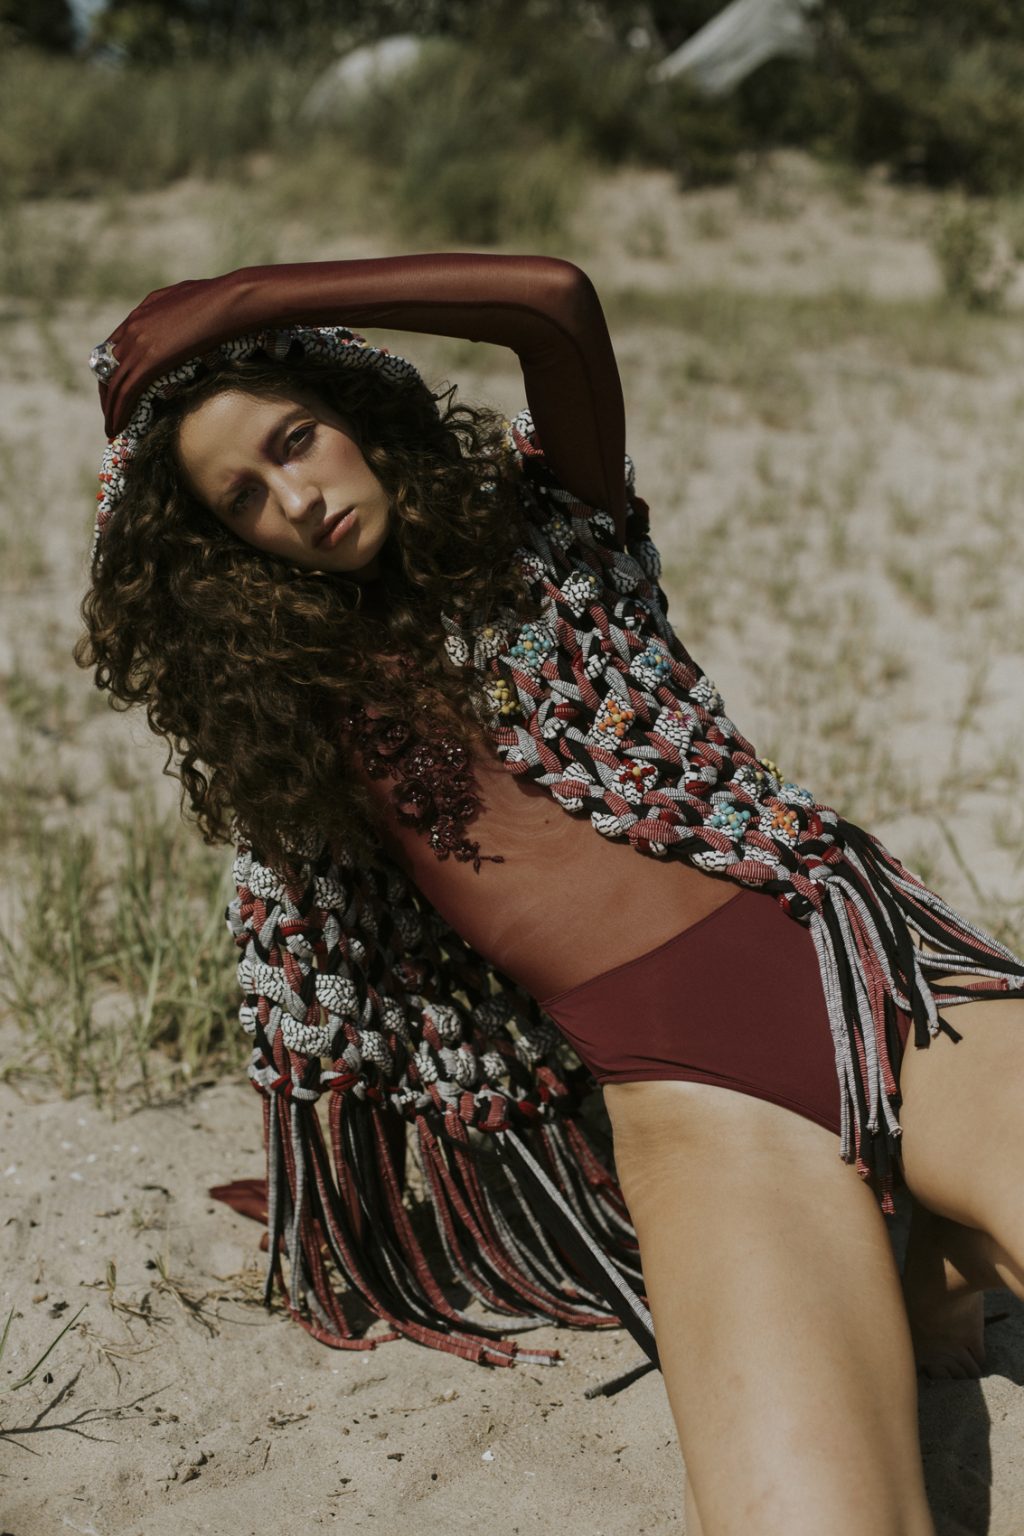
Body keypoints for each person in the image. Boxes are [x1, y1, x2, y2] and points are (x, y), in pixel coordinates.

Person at [78, 253, 1024, 1535]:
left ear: (352, 409)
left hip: (875, 976)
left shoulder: (555, 530)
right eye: (244, 496)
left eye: (296, 439)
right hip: (702, 1106)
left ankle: (936, 1230)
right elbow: (326, 995)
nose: (296, 498)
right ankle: (928, 1239)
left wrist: (260, 302)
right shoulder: (287, 719)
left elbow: (555, 306)